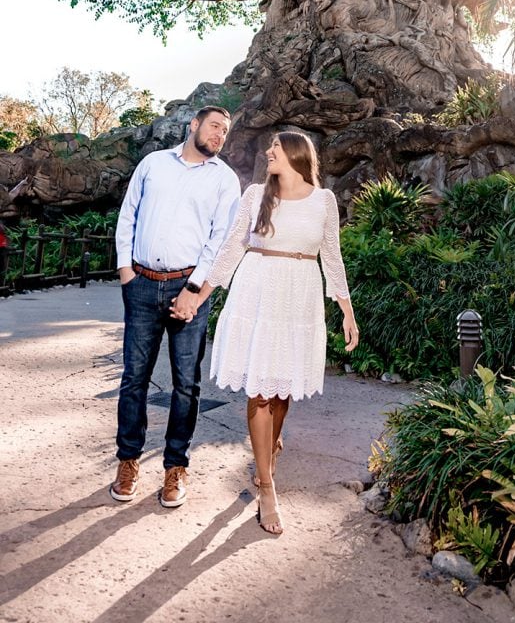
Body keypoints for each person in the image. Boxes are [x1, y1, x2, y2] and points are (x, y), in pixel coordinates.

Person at [171, 130, 359, 535]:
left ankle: (272, 445)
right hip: (257, 294)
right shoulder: (256, 195)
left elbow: (332, 255)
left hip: (300, 298)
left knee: (282, 388)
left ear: (295, 154)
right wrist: (199, 295)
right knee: (260, 389)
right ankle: (267, 486)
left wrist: (346, 309)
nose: (267, 152)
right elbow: (232, 249)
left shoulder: (323, 201)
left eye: (275, 148)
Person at [110, 105, 241, 508]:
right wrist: (125, 271)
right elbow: (128, 214)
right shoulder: (153, 163)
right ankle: (128, 461)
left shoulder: (225, 180)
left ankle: (174, 468)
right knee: (134, 377)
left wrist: (194, 289)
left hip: (188, 288)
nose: (220, 134)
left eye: (226, 131)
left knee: (186, 384)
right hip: (143, 285)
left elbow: (221, 240)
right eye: (215, 126)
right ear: (194, 125)